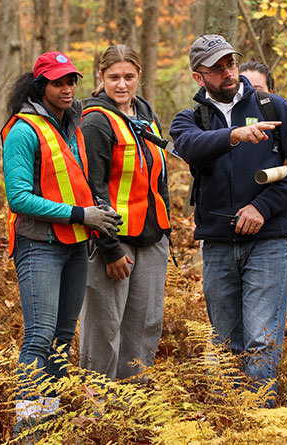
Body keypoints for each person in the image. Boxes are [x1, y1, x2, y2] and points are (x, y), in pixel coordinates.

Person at [170, 35, 287, 406]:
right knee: (226, 342)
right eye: (216, 68)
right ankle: (229, 419)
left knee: (261, 339)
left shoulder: (274, 107)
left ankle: (260, 422)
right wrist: (233, 135)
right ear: (198, 76)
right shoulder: (190, 119)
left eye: (231, 64)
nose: (227, 72)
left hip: (269, 241)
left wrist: (263, 207)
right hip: (218, 244)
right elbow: (189, 147)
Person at [1, 51, 121, 434]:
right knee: (39, 336)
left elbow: (74, 183)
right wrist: (81, 215)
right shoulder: (23, 130)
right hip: (39, 245)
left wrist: (96, 209)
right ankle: (27, 430)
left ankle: (47, 420)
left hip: (74, 245)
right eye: (58, 82)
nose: (67, 88)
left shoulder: (73, 125)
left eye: (71, 81)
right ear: (42, 86)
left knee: (61, 340)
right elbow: (18, 198)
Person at [79, 44, 171, 380]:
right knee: (104, 325)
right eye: (114, 77)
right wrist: (110, 247)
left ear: (139, 77)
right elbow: (92, 188)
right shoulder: (95, 121)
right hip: (115, 243)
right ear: (101, 77)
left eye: (128, 77)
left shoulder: (145, 113)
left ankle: (133, 400)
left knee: (146, 323)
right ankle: (96, 404)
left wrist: (166, 227)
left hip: (152, 238)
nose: (121, 84)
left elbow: (158, 177)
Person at [239, 59, 287, 308]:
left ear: (271, 91)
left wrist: (263, 204)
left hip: (275, 233)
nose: (251, 95)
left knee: (267, 318)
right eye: (245, 87)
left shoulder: (281, 119)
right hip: (226, 236)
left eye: (257, 89)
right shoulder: (225, 125)